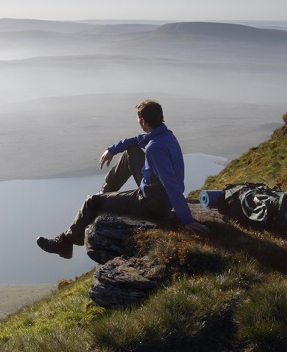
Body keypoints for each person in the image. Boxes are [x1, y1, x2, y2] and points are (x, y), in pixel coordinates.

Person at [37, 99, 209, 259]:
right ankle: (105, 197)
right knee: (131, 152)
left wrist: (186, 219)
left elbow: (170, 183)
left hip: (151, 203)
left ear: (142, 120)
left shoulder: (154, 149)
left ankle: (64, 243)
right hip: (156, 193)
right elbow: (136, 140)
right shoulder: (165, 136)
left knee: (92, 201)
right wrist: (112, 149)